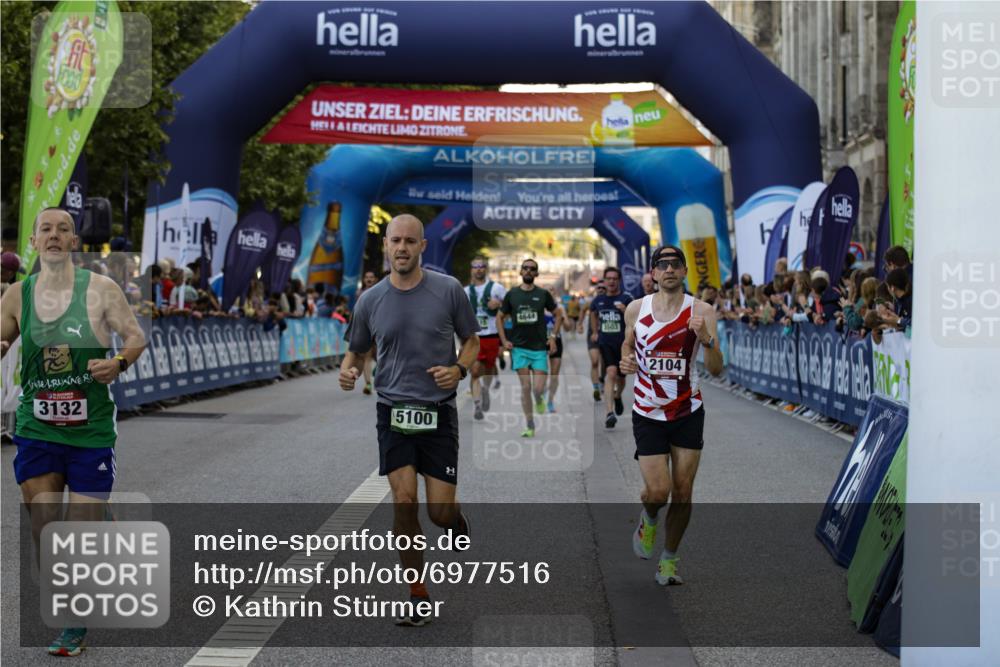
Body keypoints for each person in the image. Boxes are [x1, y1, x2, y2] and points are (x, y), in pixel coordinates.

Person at [0, 208, 146, 656]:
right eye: (46, 229)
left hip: (90, 432)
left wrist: (118, 363)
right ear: (34, 240)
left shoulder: (101, 289)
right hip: (37, 427)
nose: (54, 236)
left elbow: (136, 337)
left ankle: (73, 625)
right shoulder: (16, 295)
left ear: (74, 240)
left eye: (63, 229)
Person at [339, 215, 477, 627]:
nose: (402, 248)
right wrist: (348, 370)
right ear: (385, 245)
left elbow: (472, 341)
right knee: (403, 501)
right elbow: (357, 350)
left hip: (438, 413)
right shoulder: (370, 299)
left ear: (423, 247)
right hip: (393, 411)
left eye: (409, 242)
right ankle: (418, 594)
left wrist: (459, 369)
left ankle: (455, 519)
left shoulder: (448, 290)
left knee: (438, 513)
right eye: (395, 240)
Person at [619, 245, 723, 586]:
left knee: (682, 490)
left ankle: (669, 560)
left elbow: (717, 369)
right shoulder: (636, 309)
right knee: (656, 491)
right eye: (662, 265)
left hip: (687, 410)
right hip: (647, 410)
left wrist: (707, 340)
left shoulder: (702, 310)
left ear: (684, 271)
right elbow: (627, 345)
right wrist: (626, 361)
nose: (669, 270)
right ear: (652, 273)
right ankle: (648, 519)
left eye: (675, 264)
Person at [498, 258, 562, 438]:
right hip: (519, 348)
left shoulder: (543, 294)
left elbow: (558, 315)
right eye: (525, 268)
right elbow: (499, 317)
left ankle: (540, 399)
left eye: (532, 269)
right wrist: (504, 340)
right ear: (520, 271)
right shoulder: (512, 294)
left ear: (536, 274)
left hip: (540, 348)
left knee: (537, 389)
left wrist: (553, 337)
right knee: (526, 387)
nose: (528, 271)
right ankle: (530, 424)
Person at [589, 267, 632, 428]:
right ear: (605, 280)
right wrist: (594, 331)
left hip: (624, 344)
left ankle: (617, 396)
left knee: (622, 378)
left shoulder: (626, 298)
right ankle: (609, 412)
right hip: (605, 342)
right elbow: (592, 312)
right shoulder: (598, 300)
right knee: (610, 372)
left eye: (615, 278)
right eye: (609, 278)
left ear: (619, 280)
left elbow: (636, 317)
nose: (612, 281)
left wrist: (626, 310)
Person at [465, 257, 506, 421]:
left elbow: (509, 309)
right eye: (475, 266)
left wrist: (500, 304)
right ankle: (477, 405)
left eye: (481, 266)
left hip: (491, 336)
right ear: (471, 270)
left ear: (486, 269)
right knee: (475, 371)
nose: (478, 269)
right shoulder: (465, 291)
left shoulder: (497, 288)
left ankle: (485, 389)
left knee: (488, 370)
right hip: (473, 337)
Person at [579, 282, 605, 401]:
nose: (601, 289)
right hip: (593, 335)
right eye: (598, 288)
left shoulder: (612, 301)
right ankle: (596, 388)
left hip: (607, 336)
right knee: (595, 362)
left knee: (605, 363)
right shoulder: (591, 302)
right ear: (596, 289)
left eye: (603, 288)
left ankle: (603, 381)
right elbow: (583, 310)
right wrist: (580, 324)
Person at [360, 270, 380, 394]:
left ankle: (378, 372)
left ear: (375, 279)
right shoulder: (359, 293)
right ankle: (367, 384)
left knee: (382, 357)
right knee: (366, 358)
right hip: (365, 329)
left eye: (371, 277)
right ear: (364, 280)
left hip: (379, 329)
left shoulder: (381, 291)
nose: (369, 279)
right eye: (366, 277)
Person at [544, 287, 564, 413]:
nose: (550, 294)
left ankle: (550, 401)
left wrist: (564, 317)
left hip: (556, 342)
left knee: (554, 374)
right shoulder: (539, 308)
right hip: (541, 343)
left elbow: (567, 327)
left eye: (552, 292)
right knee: (541, 373)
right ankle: (542, 391)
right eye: (547, 292)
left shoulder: (559, 309)